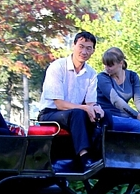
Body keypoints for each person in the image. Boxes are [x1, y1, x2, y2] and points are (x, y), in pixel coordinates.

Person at [39, 31, 112, 171]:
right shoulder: (57, 67)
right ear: (74, 46)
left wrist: (96, 109)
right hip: (51, 113)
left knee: (105, 114)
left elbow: (90, 102)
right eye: (81, 46)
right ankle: (84, 158)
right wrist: (85, 108)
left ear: (93, 51)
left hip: (74, 113)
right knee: (78, 113)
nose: (84, 51)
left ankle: (103, 155)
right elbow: (59, 103)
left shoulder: (91, 73)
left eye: (88, 48)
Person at [97, 47, 140, 134]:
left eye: (110, 65)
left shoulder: (132, 77)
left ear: (121, 63)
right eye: (105, 65)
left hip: (124, 116)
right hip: (107, 117)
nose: (107, 68)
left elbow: (139, 100)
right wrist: (136, 115)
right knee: (138, 125)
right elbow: (116, 100)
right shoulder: (102, 78)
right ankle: (132, 147)